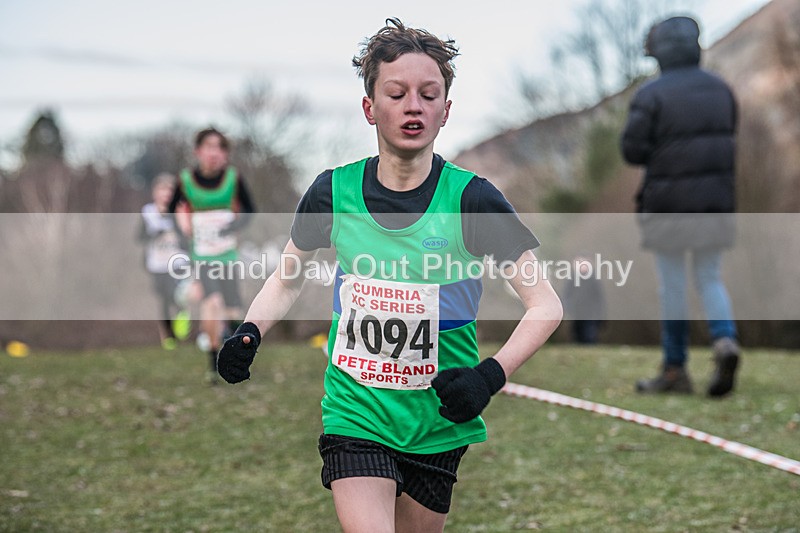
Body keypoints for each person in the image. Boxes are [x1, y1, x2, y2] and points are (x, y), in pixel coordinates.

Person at [217, 19, 562, 532]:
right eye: (396, 94)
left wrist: (489, 376)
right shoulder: (332, 194)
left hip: (438, 420)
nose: (412, 106)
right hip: (356, 411)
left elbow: (545, 304)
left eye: (428, 95)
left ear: (446, 111)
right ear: (370, 107)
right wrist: (250, 330)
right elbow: (286, 280)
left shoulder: (472, 200)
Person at [621, 16, 740, 397]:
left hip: (667, 205)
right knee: (710, 278)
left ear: (659, 52)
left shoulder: (651, 94)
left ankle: (675, 371)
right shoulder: (721, 89)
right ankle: (725, 341)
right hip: (716, 203)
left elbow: (631, 150)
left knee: (672, 286)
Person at [169, 127, 255, 383]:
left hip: (227, 255)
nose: (214, 153)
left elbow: (250, 210)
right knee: (212, 303)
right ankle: (213, 363)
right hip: (202, 257)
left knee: (234, 309)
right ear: (198, 151)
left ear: (225, 154)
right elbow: (171, 210)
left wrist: (233, 225)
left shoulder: (233, 179)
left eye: (220, 148)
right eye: (209, 147)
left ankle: (236, 357)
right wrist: (183, 233)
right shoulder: (186, 180)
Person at [139, 173, 191, 350]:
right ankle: (168, 336)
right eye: (162, 190)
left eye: (170, 190)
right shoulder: (148, 213)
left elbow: (187, 235)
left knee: (174, 294)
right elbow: (139, 237)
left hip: (177, 262)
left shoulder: (180, 210)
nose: (166, 194)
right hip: (157, 263)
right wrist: (153, 233)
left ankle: (182, 314)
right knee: (163, 300)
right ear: (155, 192)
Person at [562, 255, 606, 344]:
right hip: (576, 312)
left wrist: (600, 315)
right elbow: (567, 295)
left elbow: (599, 298)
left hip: (590, 313)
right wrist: (568, 307)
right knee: (577, 334)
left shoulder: (593, 279)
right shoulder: (572, 278)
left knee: (589, 334)